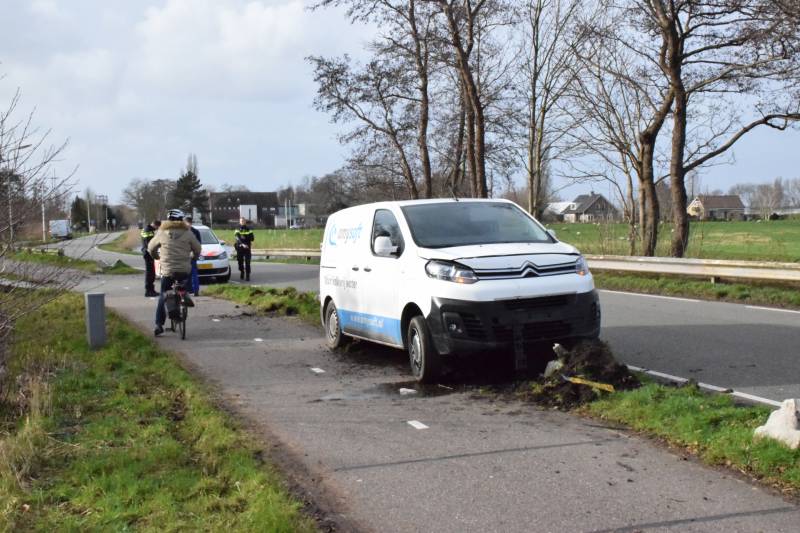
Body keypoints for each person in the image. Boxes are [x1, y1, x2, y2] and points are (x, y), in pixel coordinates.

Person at [148, 209, 201, 337]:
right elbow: (198, 249)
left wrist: (156, 257)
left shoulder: (162, 232)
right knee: (184, 283)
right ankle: (185, 295)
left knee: (163, 295)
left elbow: (151, 248)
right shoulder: (188, 232)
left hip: (168, 271)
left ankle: (159, 325)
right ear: (181, 220)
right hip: (184, 269)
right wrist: (193, 257)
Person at [141, 219, 161, 297]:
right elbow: (149, 244)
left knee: (151, 273)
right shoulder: (148, 230)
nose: (157, 229)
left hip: (147, 253)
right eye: (157, 227)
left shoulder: (147, 229)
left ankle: (151, 290)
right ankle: (148, 291)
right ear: (155, 225)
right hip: (148, 254)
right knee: (150, 273)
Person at [184, 215, 202, 296]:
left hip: (185, 255)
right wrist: (196, 254)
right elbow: (199, 245)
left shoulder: (182, 232)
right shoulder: (196, 231)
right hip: (192, 255)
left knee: (186, 273)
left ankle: (188, 290)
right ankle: (195, 290)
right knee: (193, 273)